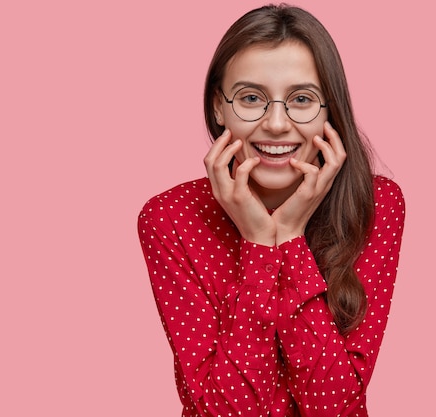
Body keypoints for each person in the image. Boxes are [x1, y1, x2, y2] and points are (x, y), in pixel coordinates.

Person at [138, 4, 405, 416]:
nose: (277, 124)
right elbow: (227, 411)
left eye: (301, 99)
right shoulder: (170, 218)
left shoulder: (376, 204)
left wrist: (292, 239)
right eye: (250, 98)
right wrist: (260, 244)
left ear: (329, 109)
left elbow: (334, 406)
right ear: (217, 107)